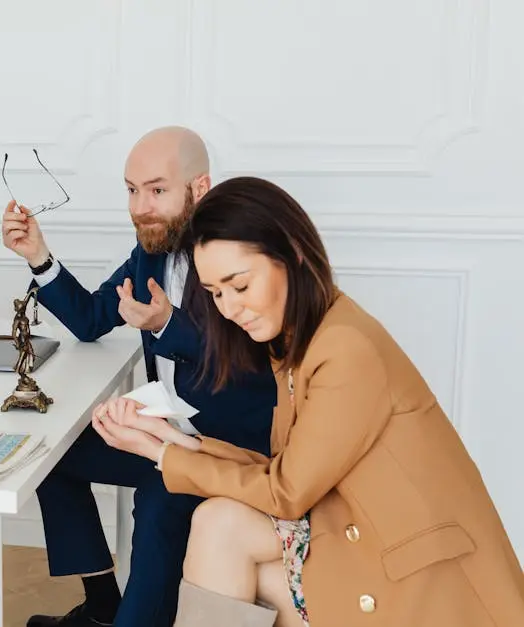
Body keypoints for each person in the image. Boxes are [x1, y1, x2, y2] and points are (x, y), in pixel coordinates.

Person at [90, 176, 524, 627]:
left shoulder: (346, 349)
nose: (229, 309)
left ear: (292, 253)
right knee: (220, 524)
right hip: (356, 540)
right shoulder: (299, 340)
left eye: (240, 286)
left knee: (220, 532)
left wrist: (163, 454)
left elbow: (286, 493)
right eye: (216, 293)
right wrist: (170, 440)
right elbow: (285, 469)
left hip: (418, 585)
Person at [2, 127, 277, 627]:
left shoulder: (243, 253)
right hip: (164, 432)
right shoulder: (152, 248)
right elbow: (90, 319)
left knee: (158, 506)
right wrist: (39, 258)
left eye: (157, 190)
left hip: (228, 449)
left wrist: (167, 324)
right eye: (131, 190)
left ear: (199, 188)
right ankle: (102, 606)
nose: (140, 207)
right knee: (49, 456)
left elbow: (252, 364)